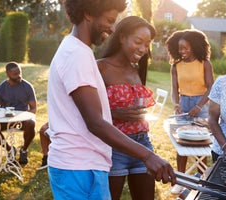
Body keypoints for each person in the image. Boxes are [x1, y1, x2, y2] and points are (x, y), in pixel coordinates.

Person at [47, 0, 176, 199]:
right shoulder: (77, 54)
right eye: (109, 20)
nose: (112, 27)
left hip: (85, 165)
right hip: (78, 168)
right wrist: (147, 155)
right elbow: (95, 122)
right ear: (88, 13)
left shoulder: (79, 51)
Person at [97, 16, 157, 200]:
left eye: (146, 45)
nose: (142, 49)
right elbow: (88, 113)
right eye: (138, 42)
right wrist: (115, 113)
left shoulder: (136, 69)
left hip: (142, 143)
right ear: (122, 37)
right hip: (114, 146)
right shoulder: (101, 67)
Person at [165, 29, 214, 195]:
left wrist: (199, 106)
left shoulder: (205, 63)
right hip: (184, 103)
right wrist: (177, 104)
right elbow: (174, 89)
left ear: (194, 46)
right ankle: (180, 181)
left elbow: (211, 88)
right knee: (181, 143)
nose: (182, 52)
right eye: (180, 49)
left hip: (202, 105)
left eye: (186, 48)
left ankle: (201, 178)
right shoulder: (176, 66)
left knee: (201, 144)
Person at [0, 62, 37, 165]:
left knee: (31, 123)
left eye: (20, 73)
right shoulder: (1, 88)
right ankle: (9, 149)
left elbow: (33, 108)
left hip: (22, 118)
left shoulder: (27, 86)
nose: (19, 76)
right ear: (8, 74)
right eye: (15, 74)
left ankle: (24, 150)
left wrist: (24, 116)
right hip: (6, 119)